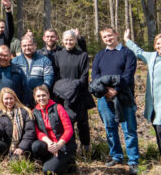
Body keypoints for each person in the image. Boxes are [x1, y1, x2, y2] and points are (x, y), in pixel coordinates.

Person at [91, 26, 138, 174]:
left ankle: (133, 160)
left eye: (110, 36)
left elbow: (127, 75)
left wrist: (116, 90)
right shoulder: (99, 55)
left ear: (116, 34)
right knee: (110, 129)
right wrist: (106, 91)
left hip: (124, 96)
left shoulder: (127, 53)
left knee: (129, 129)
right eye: (105, 37)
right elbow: (95, 77)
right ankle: (116, 156)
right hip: (105, 98)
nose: (108, 39)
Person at [53, 29, 94, 153]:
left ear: (75, 40)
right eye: (66, 40)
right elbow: (56, 76)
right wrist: (64, 91)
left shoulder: (82, 55)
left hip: (79, 94)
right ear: (62, 41)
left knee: (83, 123)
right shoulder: (58, 55)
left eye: (71, 39)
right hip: (63, 96)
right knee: (67, 123)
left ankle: (86, 149)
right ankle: (70, 149)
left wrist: (74, 87)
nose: (69, 42)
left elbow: (85, 75)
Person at [124, 27, 161, 155]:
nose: (159, 46)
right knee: (158, 130)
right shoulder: (151, 57)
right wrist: (127, 40)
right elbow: (138, 51)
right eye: (158, 43)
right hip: (154, 105)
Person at [32, 85, 76, 174]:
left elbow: (69, 129)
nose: (41, 98)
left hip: (63, 146)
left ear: (48, 95)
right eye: (38, 96)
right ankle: (49, 160)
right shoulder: (34, 112)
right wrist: (49, 143)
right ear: (35, 98)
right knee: (36, 146)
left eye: (44, 95)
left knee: (48, 171)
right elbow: (38, 132)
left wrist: (59, 144)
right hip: (49, 145)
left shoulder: (58, 107)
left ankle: (68, 162)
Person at [0, 87, 35, 158]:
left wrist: (21, 148)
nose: (9, 101)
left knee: (15, 160)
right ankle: (0, 160)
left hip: (24, 146)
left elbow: (29, 132)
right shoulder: (0, 115)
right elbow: (0, 133)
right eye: (6, 99)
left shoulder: (25, 111)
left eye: (11, 98)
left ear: (15, 98)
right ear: (2, 100)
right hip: (9, 146)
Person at [11, 34, 54, 107]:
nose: (27, 47)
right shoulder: (15, 61)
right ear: (21, 47)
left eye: (30, 45)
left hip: (38, 98)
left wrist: (42, 90)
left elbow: (49, 77)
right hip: (20, 97)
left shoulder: (44, 60)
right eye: (24, 46)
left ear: (35, 46)